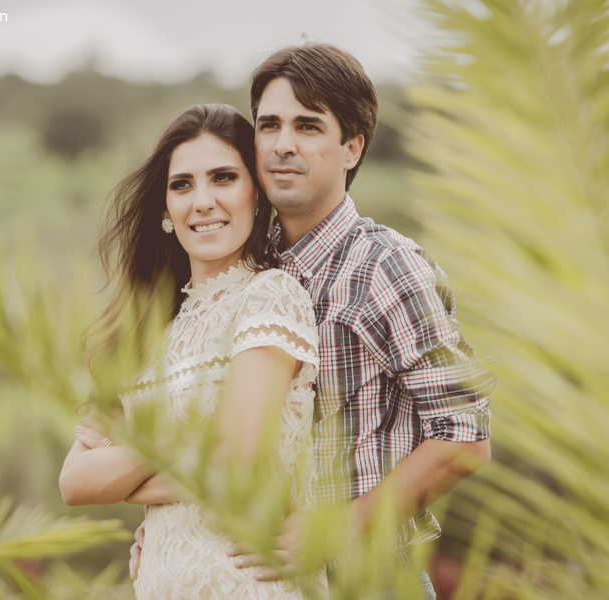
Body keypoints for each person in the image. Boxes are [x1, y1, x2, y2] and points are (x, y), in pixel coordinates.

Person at [130, 44, 497, 599]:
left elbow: (465, 437)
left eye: (307, 126)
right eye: (269, 125)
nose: (282, 144)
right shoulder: (246, 272)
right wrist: (167, 530)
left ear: (351, 148)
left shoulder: (386, 267)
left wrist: (336, 529)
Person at [59, 103, 327, 599]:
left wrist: (122, 476)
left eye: (223, 178)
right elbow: (74, 482)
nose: (202, 201)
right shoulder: (143, 333)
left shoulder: (269, 296)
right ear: (165, 208)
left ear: (256, 191)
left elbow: (233, 462)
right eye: (182, 184)